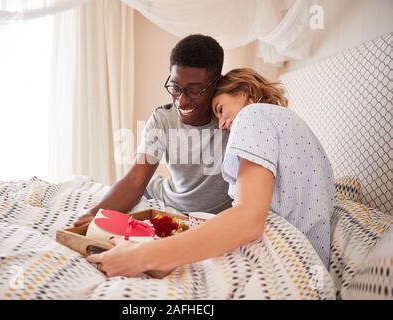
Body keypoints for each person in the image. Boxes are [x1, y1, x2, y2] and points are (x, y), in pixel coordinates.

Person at [86, 68, 334, 277]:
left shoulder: (253, 114)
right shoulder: (288, 123)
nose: (223, 125)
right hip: (312, 259)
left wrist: (142, 257)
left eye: (220, 109)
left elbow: (247, 220)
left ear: (244, 91)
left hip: (289, 258)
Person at [74, 34, 233, 227]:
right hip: (167, 202)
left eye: (193, 90)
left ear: (217, 84)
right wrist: (95, 214)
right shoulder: (163, 119)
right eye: (175, 87)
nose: (181, 100)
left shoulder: (233, 119)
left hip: (216, 215)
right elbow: (135, 181)